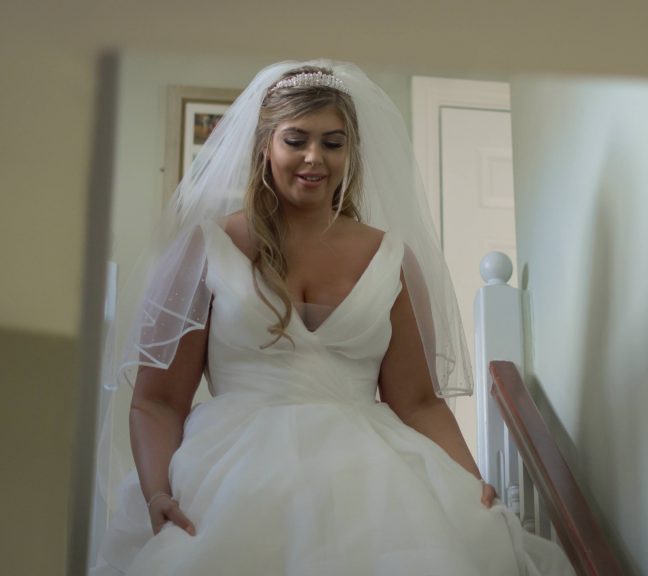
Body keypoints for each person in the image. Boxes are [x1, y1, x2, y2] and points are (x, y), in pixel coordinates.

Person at [91, 61, 573, 575]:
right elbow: (158, 401)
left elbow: (417, 402)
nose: (314, 158)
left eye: (333, 142)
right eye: (296, 140)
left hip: (372, 481)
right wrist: (157, 492)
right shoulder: (206, 247)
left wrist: (471, 484)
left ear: (351, 151)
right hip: (230, 475)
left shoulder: (391, 258)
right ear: (264, 145)